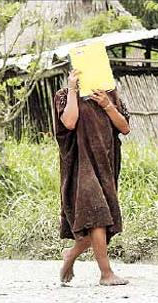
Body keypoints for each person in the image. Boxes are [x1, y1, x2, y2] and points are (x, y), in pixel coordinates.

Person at [54, 69, 131, 286]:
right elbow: (69, 122)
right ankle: (106, 273)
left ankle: (71, 254)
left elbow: (124, 127)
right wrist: (72, 89)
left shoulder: (110, 95)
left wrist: (107, 104)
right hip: (80, 166)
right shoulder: (63, 95)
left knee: (100, 226)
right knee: (97, 216)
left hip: (105, 165)